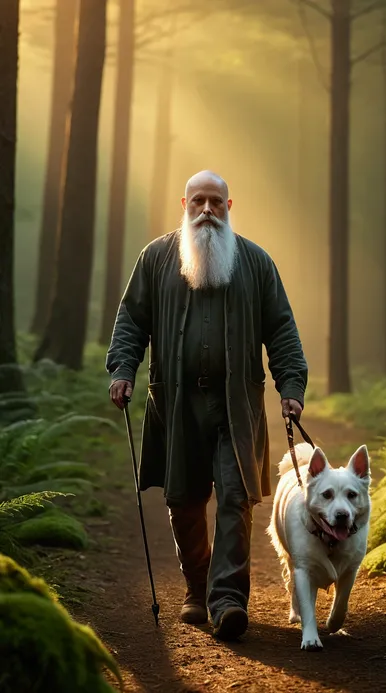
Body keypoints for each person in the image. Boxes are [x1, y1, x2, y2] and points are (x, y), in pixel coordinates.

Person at [106, 170, 307, 641]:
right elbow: (131, 320)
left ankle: (228, 600)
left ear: (229, 207)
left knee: (236, 498)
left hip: (237, 406)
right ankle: (197, 589)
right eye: (198, 201)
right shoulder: (156, 259)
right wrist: (122, 370)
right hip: (175, 405)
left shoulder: (255, 262)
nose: (207, 210)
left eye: (216, 201)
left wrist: (291, 386)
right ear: (184, 203)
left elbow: (281, 329)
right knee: (183, 499)